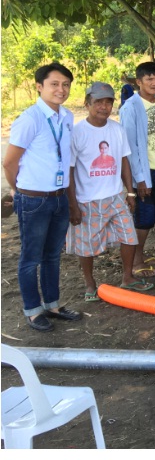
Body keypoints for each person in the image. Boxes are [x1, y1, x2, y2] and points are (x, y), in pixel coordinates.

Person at [2, 63, 82, 332]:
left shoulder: (67, 116)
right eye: (55, 84)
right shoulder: (30, 118)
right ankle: (33, 310)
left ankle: (52, 304)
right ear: (39, 86)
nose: (61, 90)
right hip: (34, 200)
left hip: (58, 197)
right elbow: (9, 162)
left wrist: (70, 200)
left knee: (52, 256)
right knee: (30, 257)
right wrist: (19, 190)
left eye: (66, 85)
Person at [67, 82, 153, 298]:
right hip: (87, 199)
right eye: (98, 102)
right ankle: (89, 283)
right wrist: (73, 204)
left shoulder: (116, 129)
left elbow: (124, 160)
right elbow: (69, 170)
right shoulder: (77, 132)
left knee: (129, 236)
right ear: (87, 103)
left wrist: (130, 191)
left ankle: (127, 278)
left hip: (115, 196)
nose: (104, 107)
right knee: (86, 246)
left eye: (108, 102)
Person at [119, 61, 155, 278]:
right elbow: (130, 147)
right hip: (143, 171)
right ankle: (136, 261)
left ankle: (141, 253)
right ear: (138, 82)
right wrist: (139, 180)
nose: (154, 82)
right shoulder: (130, 108)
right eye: (148, 79)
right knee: (144, 217)